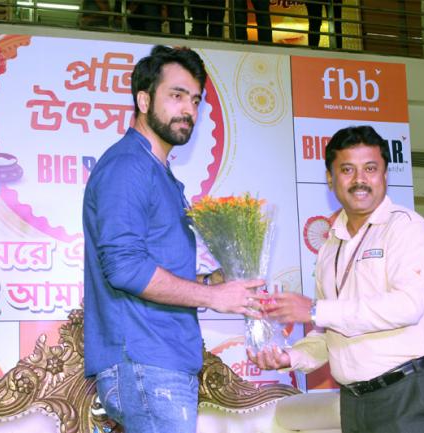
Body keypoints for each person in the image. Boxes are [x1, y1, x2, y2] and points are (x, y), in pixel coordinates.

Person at [82, 45, 264, 433]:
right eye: (177, 96)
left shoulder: (158, 172)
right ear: (143, 100)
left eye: (196, 100)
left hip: (161, 361)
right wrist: (214, 298)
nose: (189, 110)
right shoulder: (128, 165)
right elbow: (125, 268)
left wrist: (211, 283)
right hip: (145, 361)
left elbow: (154, 271)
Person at [248, 125, 424, 432]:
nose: (359, 180)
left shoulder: (406, 228)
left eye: (370, 168)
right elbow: (331, 333)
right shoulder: (330, 248)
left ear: (385, 175)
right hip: (354, 402)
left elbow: (407, 306)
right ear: (330, 179)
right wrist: (291, 357)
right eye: (347, 170)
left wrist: (314, 310)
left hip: (408, 394)